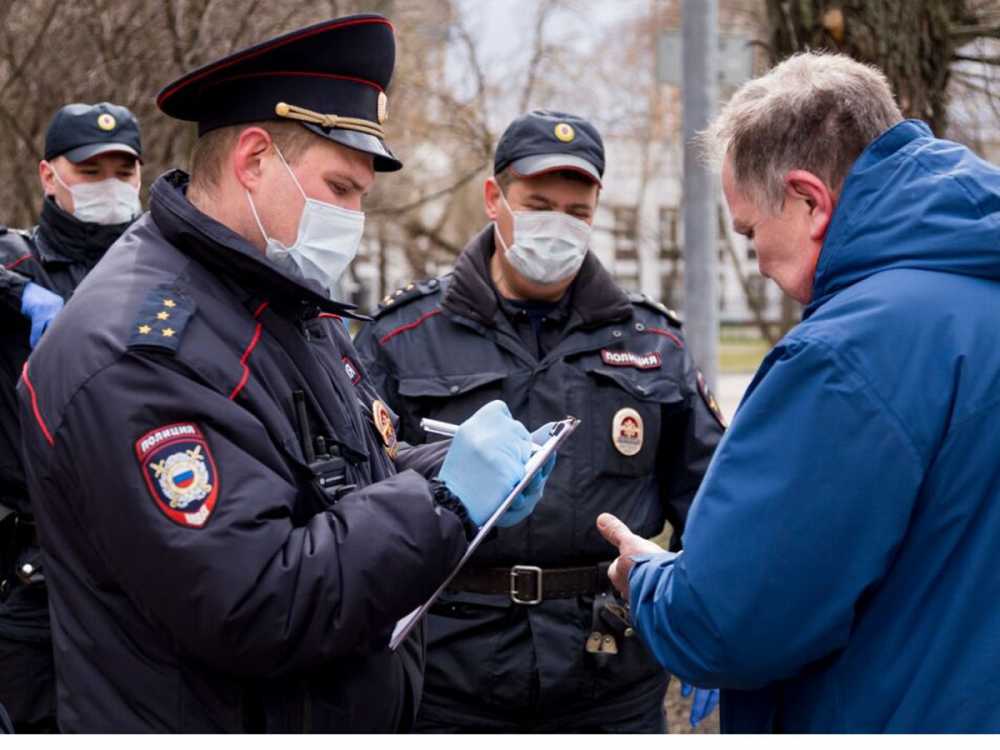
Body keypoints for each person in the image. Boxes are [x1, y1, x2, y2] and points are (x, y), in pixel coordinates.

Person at [16, 16, 547, 733]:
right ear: (255, 159)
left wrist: (451, 467)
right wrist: (443, 506)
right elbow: (255, 598)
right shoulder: (141, 350)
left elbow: (329, 477)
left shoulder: (280, 299)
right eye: (340, 186)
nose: (354, 216)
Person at [598, 51, 1000, 732]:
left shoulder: (848, 354)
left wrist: (647, 579)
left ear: (812, 201)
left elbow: (725, 623)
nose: (755, 262)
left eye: (752, 230)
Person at [354, 110, 725, 733]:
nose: (558, 225)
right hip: (451, 674)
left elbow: (713, 502)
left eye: (577, 212)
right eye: (538, 203)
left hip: (608, 677)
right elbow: (358, 498)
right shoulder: (404, 337)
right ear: (494, 197)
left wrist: (713, 619)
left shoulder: (653, 341)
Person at [0, 101, 143, 732]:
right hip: (33, 575)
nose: (109, 185)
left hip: (139, 563)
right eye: (90, 170)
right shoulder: (20, 265)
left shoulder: (161, 270)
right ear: (48, 176)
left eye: (124, 170)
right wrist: (18, 295)